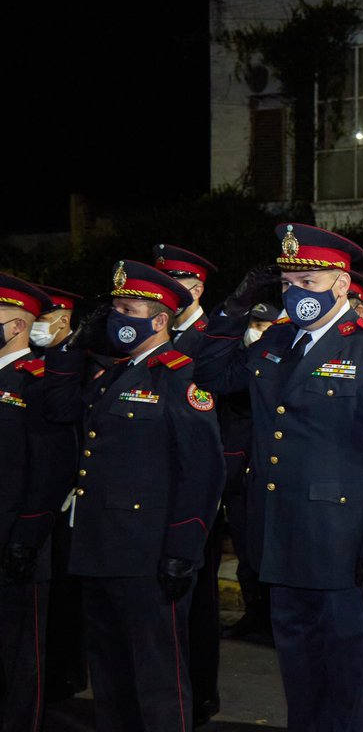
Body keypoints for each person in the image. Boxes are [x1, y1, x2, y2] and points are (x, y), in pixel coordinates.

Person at [191, 222, 363, 731]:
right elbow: (210, 373)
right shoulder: (276, 341)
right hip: (282, 543)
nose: (297, 293)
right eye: (288, 282)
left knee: (350, 693)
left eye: (310, 281)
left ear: (342, 285)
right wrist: (235, 307)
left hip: (348, 552)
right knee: (300, 686)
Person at [40, 260, 225, 732]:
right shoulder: (110, 375)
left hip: (148, 555)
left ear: (159, 319)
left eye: (129, 309)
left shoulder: (180, 376)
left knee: (157, 681)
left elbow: (202, 473)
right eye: (115, 309)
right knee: (111, 678)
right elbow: (60, 411)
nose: (118, 318)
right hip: (99, 547)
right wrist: (67, 348)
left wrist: (183, 551)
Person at [152, 242, 225, 724]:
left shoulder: (213, 331)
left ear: (195, 289)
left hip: (197, 487)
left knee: (196, 599)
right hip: (153, 491)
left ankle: (198, 693)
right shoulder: (149, 334)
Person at [0, 275, 74, 732]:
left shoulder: (39, 381)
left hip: (16, 538)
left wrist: (28, 535)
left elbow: (50, 470)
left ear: (14, 326)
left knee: (17, 655)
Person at [27, 285, 91, 704]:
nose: (36, 328)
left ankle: (66, 674)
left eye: (43, 318)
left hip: (69, 493)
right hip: (40, 488)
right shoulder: (32, 363)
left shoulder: (80, 362)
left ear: (64, 320)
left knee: (66, 591)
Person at [219, 302, 279, 644]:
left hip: (266, 471)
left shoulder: (271, 363)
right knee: (244, 547)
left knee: (267, 545)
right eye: (256, 323)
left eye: (268, 325)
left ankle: (272, 616)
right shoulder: (238, 363)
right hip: (238, 472)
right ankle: (254, 613)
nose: (261, 330)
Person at [154, 243, 217, 354]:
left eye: (174, 287)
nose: (165, 294)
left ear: (196, 291)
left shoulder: (212, 339)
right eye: (162, 286)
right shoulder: (155, 331)